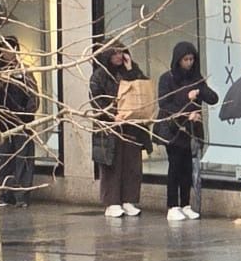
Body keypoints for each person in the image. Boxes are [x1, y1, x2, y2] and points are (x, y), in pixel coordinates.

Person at [155, 41, 218, 220]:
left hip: (191, 130)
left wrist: (200, 91)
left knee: (187, 168)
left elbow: (213, 98)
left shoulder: (196, 78)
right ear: (178, 60)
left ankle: (185, 203)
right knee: (175, 166)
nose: (189, 63)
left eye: (191, 59)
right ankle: (172, 205)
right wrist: (187, 102)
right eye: (185, 59)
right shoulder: (167, 79)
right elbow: (165, 104)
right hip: (174, 129)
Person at [90, 41, 151, 218]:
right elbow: (96, 101)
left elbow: (142, 88)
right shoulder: (99, 76)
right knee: (112, 166)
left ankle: (129, 200)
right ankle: (112, 202)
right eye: (114, 53)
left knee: (132, 164)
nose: (118, 56)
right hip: (110, 127)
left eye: (121, 52)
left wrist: (130, 69)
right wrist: (112, 115)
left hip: (131, 126)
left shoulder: (131, 71)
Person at [0, 36, 40, 207]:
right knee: (6, 159)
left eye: (11, 48)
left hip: (23, 122)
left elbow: (34, 95)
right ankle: (6, 193)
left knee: (23, 158)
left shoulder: (24, 71)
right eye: (5, 48)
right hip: (2, 123)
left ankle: (22, 195)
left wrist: (27, 114)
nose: (8, 52)